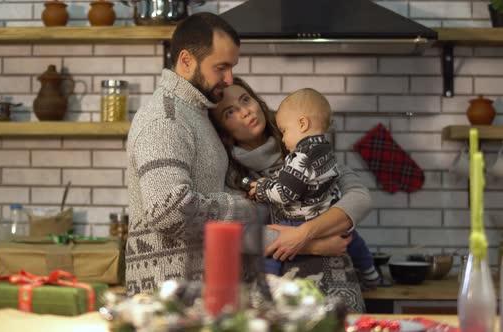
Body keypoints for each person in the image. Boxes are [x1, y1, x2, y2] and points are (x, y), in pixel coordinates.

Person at [209, 78, 373, 313]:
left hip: (334, 278)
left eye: (246, 100)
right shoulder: (229, 173)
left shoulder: (305, 145)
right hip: (273, 291)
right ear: (223, 128)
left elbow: (359, 198)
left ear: (258, 101)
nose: (245, 112)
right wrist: (313, 245)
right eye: (230, 112)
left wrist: (304, 233)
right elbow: (234, 234)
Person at [125, 12, 256, 296]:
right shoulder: (166, 118)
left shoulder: (196, 113)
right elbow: (170, 211)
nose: (229, 78)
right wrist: (243, 208)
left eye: (232, 67)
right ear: (186, 61)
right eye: (221, 67)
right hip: (172, 301)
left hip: (197, 295)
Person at [246, 88, 379, 289]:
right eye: (229, 112)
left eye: (285, 131)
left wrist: (264, 188)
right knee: (356, 243)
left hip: (300, 219)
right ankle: (371, 274)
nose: (283, 139)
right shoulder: (327, 151)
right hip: (328, 220)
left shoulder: (300, 157)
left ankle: (269, 280)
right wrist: (317, 244)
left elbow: (286, 193)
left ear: (302, 124)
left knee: (274, 251)